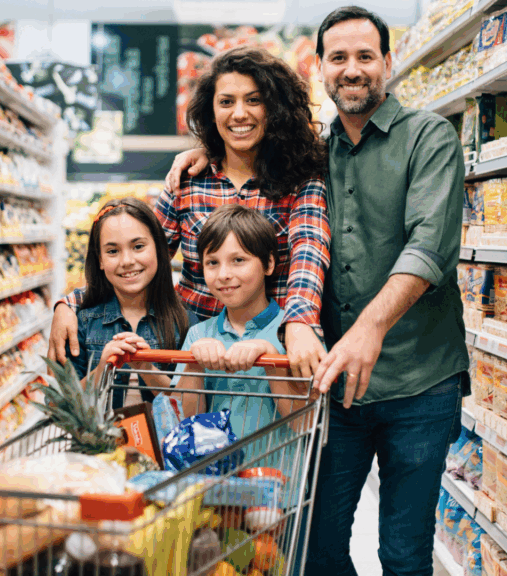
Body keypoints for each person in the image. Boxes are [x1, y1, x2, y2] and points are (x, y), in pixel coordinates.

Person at [165, 7, 469, 576]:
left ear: (388, 62)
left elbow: (428, 246)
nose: (352, 69)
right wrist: (209, 149)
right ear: (320, 68)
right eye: (338, 58)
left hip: (419, 380)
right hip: (332, 382)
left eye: (365, 56)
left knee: (403, 553)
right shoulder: (310, 154)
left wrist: (353, 327)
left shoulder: (429, 137)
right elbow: (252, 161)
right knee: (315, 548)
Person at [49, 46, 331, 383]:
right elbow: (141, 256)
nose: (239, 113)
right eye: (226, 102)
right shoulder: (188, 181)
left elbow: (309, 252)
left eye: (254, 100)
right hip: (193, 350)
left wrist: (299, 322)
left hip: (271, 353)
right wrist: (72, 303)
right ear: (211, 111)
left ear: (276, 108)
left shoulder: (300, 180)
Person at [173, 205, 308, 441]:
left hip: (278, 465)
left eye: (238, 260)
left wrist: (271, 358)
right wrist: (194, 366)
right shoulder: (198, 334)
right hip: (213, 466)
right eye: (212, 263)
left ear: (268, 264)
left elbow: (305, 422)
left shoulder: (297, 332)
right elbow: (182, 424)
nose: (223, 274)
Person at [65, 197, 195, 408]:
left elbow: (191, 407)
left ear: (158, 248)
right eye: (112, 251)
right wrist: (102, 369)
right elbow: (59, 406)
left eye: (138, 246)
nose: (127, 261)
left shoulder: (185, 322)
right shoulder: (82, 323)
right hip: (101, 431)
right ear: (100, 260)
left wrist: (146, 367)